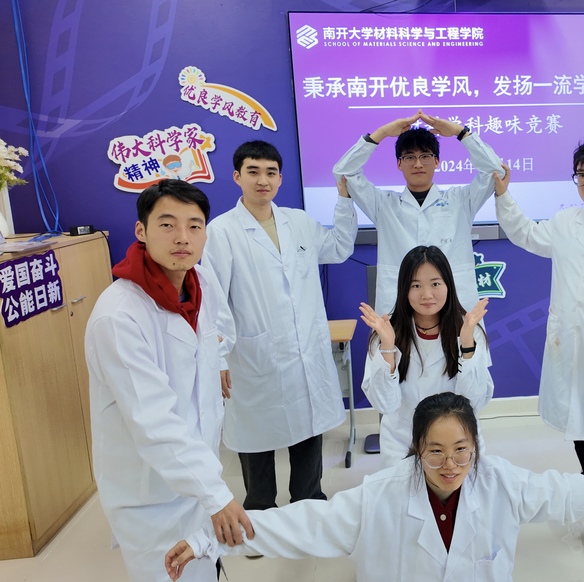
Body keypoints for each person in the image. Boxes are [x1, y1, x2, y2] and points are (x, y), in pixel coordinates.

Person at [165, 392, 584, 581]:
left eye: (461, 450)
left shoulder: (500, 481)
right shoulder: (383, 494)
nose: (450, 464)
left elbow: (565, 493)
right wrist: (210, 540)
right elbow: (306, 522)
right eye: (435, 451)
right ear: (416, 449)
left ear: (476, 446)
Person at [85, 179, 253, 582]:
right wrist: (216, 495)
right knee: (168, 575)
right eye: (167, 224)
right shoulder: (119, 316)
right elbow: (153, 421)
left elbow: (208, 351)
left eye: (194, 226)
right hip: (150, 496)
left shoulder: (201, 282)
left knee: (205, 569)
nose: (182, 237)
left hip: (197, 471)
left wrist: (209, 487)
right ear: (141, 231)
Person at [494, 137, 584, 557]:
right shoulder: (565, 222)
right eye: (582, 175)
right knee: (580, 422)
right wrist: (503, 194)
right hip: (569, 346)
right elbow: (525, 233)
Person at [202, 140, 357, 512]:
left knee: (308, 428)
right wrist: (218, 357)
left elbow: (338, 248)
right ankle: (260, 512)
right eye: (253, 172)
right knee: (255, 438)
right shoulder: (221, 231)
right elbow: (213, 300)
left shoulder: (298, 222)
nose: (263, 180)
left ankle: (309, 504)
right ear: (237, 176)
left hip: (304, 353)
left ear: (280, 178)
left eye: (270, 172)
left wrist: (344, 200)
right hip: (253, 357)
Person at [333, 109, 505, 316]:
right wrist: (382, 133)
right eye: (409, 157)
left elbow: (496, 171)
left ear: (437, 161)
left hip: (454, 305)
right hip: (400, 306)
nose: (417, 164)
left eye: (425, 156)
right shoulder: (383, 205)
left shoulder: (461, 200)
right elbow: (344, 172)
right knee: (395, 338)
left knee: (461, 337)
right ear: (399, 163)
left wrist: (460, 132)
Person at [358, 245, 493, 467]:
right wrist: (388, 347)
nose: (427, 294)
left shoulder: (470, 329)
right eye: (416, 285)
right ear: (404, 289)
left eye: (435, 284)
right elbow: (385, 405)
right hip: (403, 443)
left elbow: (475, 402)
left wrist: (467, 345)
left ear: (448, 285)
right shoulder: (386, 332)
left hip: (458, 444)